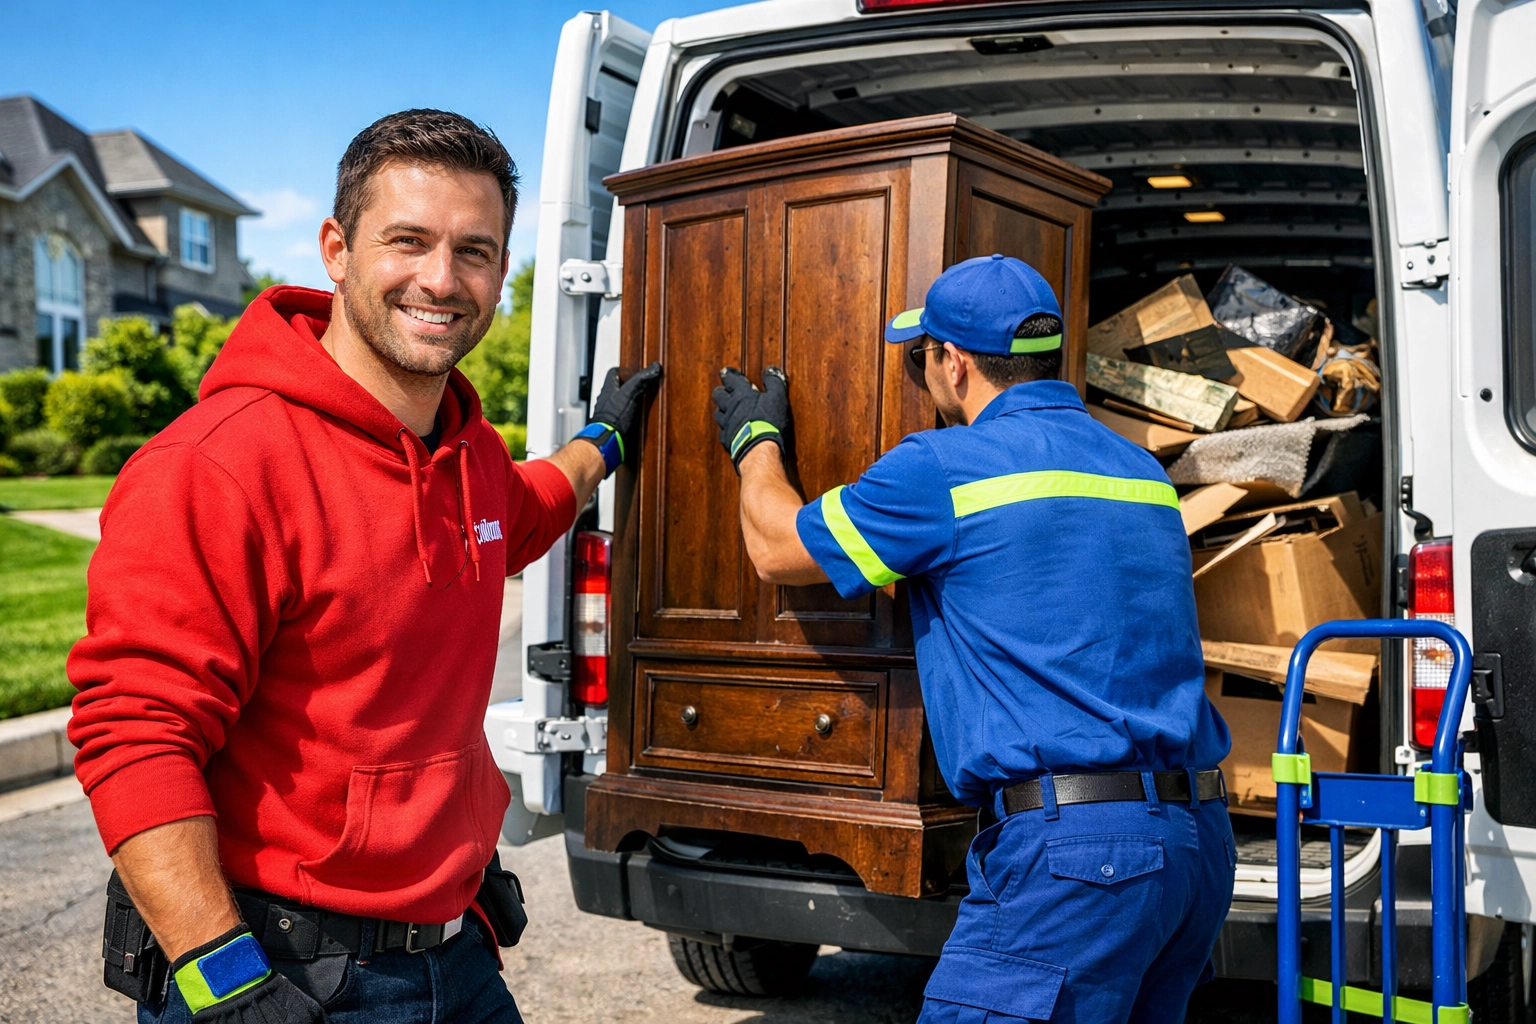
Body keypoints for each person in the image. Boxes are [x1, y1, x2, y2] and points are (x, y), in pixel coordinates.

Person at [68, 109, 660, 1024]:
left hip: (458, 959)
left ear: (502, 270)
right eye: (408, 241)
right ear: (337, 251)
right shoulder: (217, 466)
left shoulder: (468, 455)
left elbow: (535, 505)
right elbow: (136, 733)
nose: (442, 279)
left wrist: (604, 440)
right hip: (284, 972)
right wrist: (223, 982)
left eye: (473, 251)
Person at [712, 254, 1236, 1024]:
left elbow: (775, 548)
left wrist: (755, 442)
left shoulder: (943, 470)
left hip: (1080, 860)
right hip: (1195, 848)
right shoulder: (1141, 471)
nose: (922, 371)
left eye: (919, 356)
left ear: (954, 362)